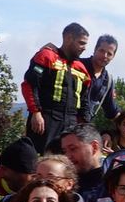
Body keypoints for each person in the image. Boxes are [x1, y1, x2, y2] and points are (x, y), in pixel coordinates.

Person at [22, 22, 93, 152]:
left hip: (71, 124)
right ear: (68, 38)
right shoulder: (46, 56)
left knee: (66, 164)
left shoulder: (82, 69)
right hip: (47, 119)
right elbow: (30, 85)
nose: (84, 48)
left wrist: (85, 125)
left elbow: (84, 101)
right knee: (39, 159)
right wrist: (36, 113)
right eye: (81, 43)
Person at [60, 124, 110, 202]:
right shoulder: (65, 186)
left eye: (73, 149)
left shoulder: (114, 184)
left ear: (94, 147)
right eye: (64, 151)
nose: (67, 156)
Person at [83, 34, 121, 127]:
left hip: (83, 129)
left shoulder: (108, 80)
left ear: (113, 56)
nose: (105, 56)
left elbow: (111, 110)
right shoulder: (77, 65)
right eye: (102, 51)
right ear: (95, 49)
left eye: (109, 54)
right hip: (62, 123)